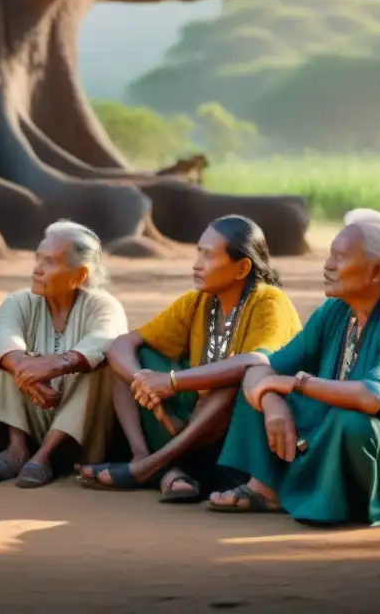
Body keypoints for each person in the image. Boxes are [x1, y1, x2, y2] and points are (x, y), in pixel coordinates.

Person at [208, 209, 380, 526]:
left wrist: (294, 384)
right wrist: (273, 404)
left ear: (377, 271)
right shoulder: (337, 310)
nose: (327, 266)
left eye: (339, 257)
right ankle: (265, 490)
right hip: (339, 430)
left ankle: (327, 496)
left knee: (352, 420)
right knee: (258, 384)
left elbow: (371, 399)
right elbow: (262, 368)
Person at [78, 215, 302, 502]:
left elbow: (257, 362)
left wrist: (171, 383)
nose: (197, 264)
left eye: (208, 255)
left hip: (240, 430)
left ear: (242, 267)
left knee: (232, 380)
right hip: (191, 421)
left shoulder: (269, 301)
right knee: (128, 363)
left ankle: (155, 467)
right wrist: (144, 383)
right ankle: (143, 456)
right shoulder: (198, 302)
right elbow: (123, 344)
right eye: (198, 252)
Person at [0, 221, 127, 488]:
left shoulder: (104, 306)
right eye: (38, 258)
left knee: (99, 365)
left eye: (50, 262)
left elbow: (106, 338)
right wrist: (26, 368)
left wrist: (60, 363)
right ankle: (17, 450)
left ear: (79, 274)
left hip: (81, 433)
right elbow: (1, 336)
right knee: (9, 356)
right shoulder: (19, 301)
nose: (37, 269)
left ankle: (46, 456)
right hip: (33, 416)